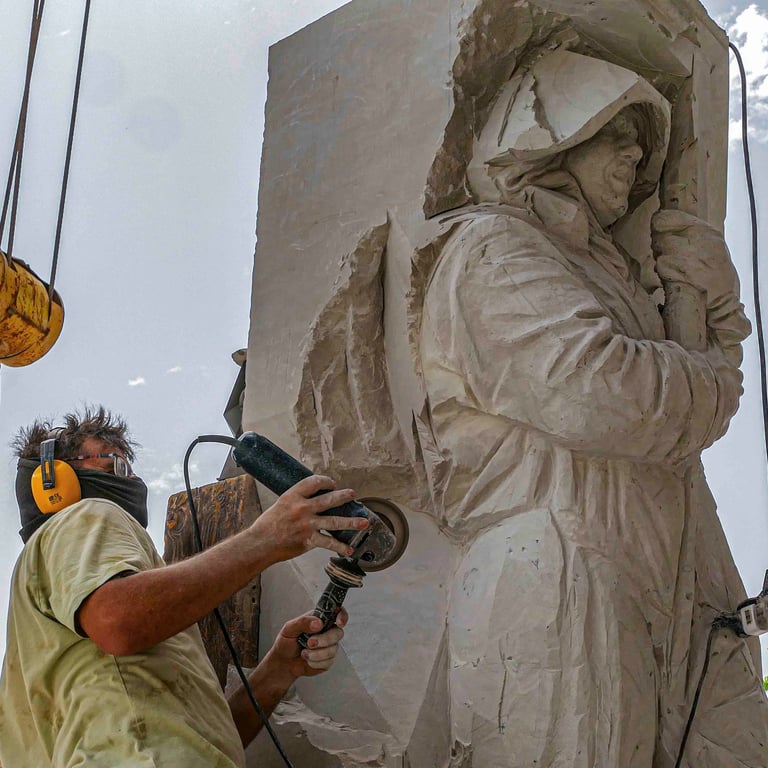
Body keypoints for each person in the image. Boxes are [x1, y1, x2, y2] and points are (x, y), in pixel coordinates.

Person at [417, 49, 768, 766]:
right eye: (616, 134)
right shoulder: (494, 248)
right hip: (564, 566)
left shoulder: (617, 280)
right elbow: (608, 395)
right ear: (558, 135)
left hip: (674, 564)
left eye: (641, 143)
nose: (635, 157)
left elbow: (684, 415)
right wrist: (708, 365)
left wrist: (715, 317)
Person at [0, 405, 369, 768]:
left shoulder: (52, 635)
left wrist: (278, 669)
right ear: (51, 480)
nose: (131, 480)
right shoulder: (83, 516)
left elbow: (195, 742)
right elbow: (117, 623)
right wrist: (266, 539)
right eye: (115, 464)